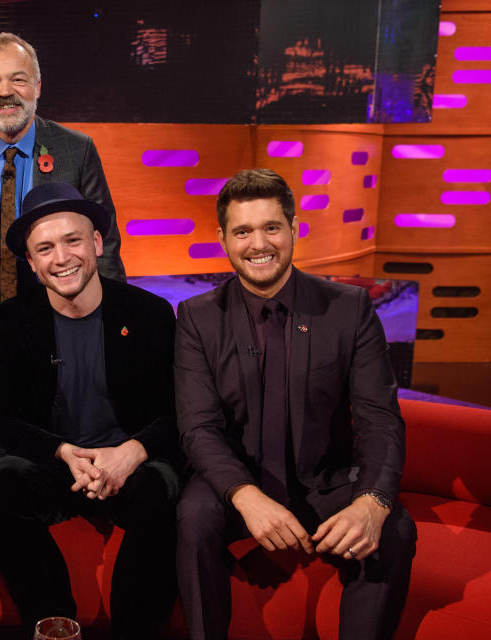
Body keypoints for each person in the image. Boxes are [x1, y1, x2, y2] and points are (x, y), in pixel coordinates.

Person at [175, 168, 417, 640]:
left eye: (271, 227)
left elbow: (379, 419)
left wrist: (373, 501)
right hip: (238, 481)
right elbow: (198, 427)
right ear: (222, 238)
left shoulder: (348, 308)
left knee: (394, 530)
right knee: (193, 517)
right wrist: (246, 497)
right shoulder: (197, 317)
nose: (258, 243)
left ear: (293, 229)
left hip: (326, 483)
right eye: (242, 231)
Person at [0, 182, 180, 637]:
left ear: (96, 243)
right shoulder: (9, 322)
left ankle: (136, 629)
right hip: (54, 464)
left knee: (162, 490)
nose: (62, 257)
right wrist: (62, 452)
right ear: (31, 263)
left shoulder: (150, 314)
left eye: (72, 241)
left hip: (127, 463)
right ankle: (55, 623)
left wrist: (130, 452)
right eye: (45, 248)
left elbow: (177, 413)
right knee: (2, 485)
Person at [0, 32, 126, 303]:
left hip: (64, 307)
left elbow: (106, 245)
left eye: (18, 79)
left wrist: (111, 316)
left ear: (38, 86)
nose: (5, 91)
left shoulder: (77, 150)